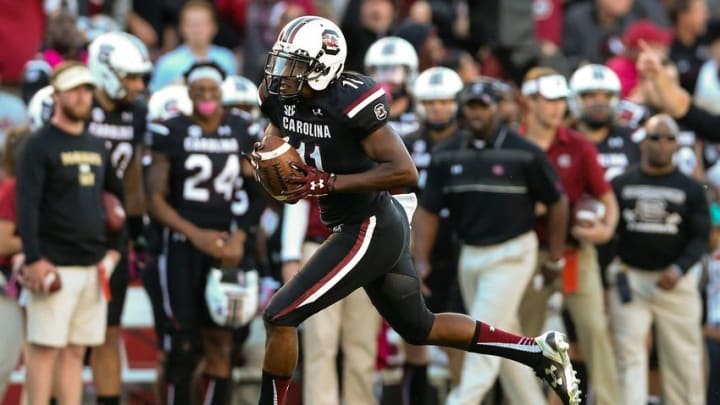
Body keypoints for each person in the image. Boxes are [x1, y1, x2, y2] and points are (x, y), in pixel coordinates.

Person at [254, 16, 580, 405]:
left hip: (370, 225)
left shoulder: (349, 101)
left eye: (295, 65)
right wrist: (270, 164)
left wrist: (330, 182)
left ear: (324, 65)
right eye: (282, 62)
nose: (281, 74)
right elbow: (276, 143)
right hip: (357, 225)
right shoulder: (280, 97)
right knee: (420, 327)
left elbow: (404, 172)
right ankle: (536, 351)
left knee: (280, 315)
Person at [414, 78, 569, 405]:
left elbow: (557, 201)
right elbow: (428, 210)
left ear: (497, 109)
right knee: (504, 337)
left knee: (482, 336)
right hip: (470, 254)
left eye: (483, 106)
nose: (476, 113)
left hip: (512, 253)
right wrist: (421, 260)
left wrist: (555, 257)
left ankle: (461, 401)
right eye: (470, 106)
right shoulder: (445, 154)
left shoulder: (524, 152)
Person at [145, 61, 262, 405]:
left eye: (213, 90)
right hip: (182, 244)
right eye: (200, 91)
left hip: (227, 247)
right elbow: (155, 198)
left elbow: (257, 192)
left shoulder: (242, 129)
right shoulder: (172, 130)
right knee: (182, 343)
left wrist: (240, 237)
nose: (207, 97)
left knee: (221, 343)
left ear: (223, 92)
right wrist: (195, 235)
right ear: (189, 93)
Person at [16, 61, 123, 405]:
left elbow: (116, 201)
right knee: (44, 350)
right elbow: (26, 206)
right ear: (57, 94)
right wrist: (33, 259)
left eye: (87, 89)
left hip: (92, 265)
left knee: (77, 351)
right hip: (54, 264)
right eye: (75, 90)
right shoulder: (38, 145)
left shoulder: (96, 144)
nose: (83, 96)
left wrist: (115, 253)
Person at [517, 68, 621, 405]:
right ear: (531, 101)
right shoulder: (514, 144)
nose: (557, 108)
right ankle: (523, 400)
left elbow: (607, 199)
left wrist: (605, 228)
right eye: (549, 100)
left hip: (576, 252)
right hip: (528, 251)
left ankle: (608, 400)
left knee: (594, 330)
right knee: (522, 334)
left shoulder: (579, 146)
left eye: (561, 100)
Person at [609, 114, 708, 405]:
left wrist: (679, 269)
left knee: (684, 359)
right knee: (629, 356)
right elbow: (610, 232)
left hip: (675, 281)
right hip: (631, 277)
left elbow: (700, 237)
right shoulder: (622, 183)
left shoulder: (690, 187)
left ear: (677, 144)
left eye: (668, 138)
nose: (661, 144)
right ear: (643, 142)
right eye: (655, 137)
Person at [85, 31, 153, 405]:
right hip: (70, 230)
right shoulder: (75, 103)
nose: (139, 85)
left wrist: (136, 232)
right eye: (131, 77)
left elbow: (132, 178)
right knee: (61, 339)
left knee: (109, 331)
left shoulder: (137, 112)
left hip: (111, 232)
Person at [401, 66, 466, 403]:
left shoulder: (470, 143)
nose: (438, 108)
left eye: (444, 101)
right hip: (413, 243)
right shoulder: (405, 143)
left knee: (461, 337)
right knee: (414, 336)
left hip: (460, 244)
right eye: (431, 102)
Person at [281, 197, 381, 405]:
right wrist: (290, 255)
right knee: (320, 342)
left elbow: (394, 197)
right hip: (322, 245)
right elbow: (299, 197)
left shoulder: (383, 162)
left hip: (367, 246)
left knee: (362, 345)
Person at [0, 125, 30, 399]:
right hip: (5, 285)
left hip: (23, 284)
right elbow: (2, 242)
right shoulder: (13, 188)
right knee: (2, 365)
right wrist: (39, 242)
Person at [150, 1, 237, 91]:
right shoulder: (167, 63)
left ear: (214, 27)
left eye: (201, 24)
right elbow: (156, 97)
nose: (197, 30)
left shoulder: (227, 58)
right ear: (181, 28)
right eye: (191, 24)